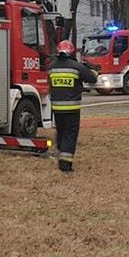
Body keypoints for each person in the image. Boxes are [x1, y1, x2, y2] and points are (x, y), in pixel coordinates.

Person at [47, 40, 98, 173]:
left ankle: (60, 156)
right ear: (72, 52)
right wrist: (93, 69)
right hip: (72, 109)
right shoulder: (76, 67)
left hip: (57, 109)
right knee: (70, 134)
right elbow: (92, 78)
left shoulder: (51, 67)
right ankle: (65, 164)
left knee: (61, 132)